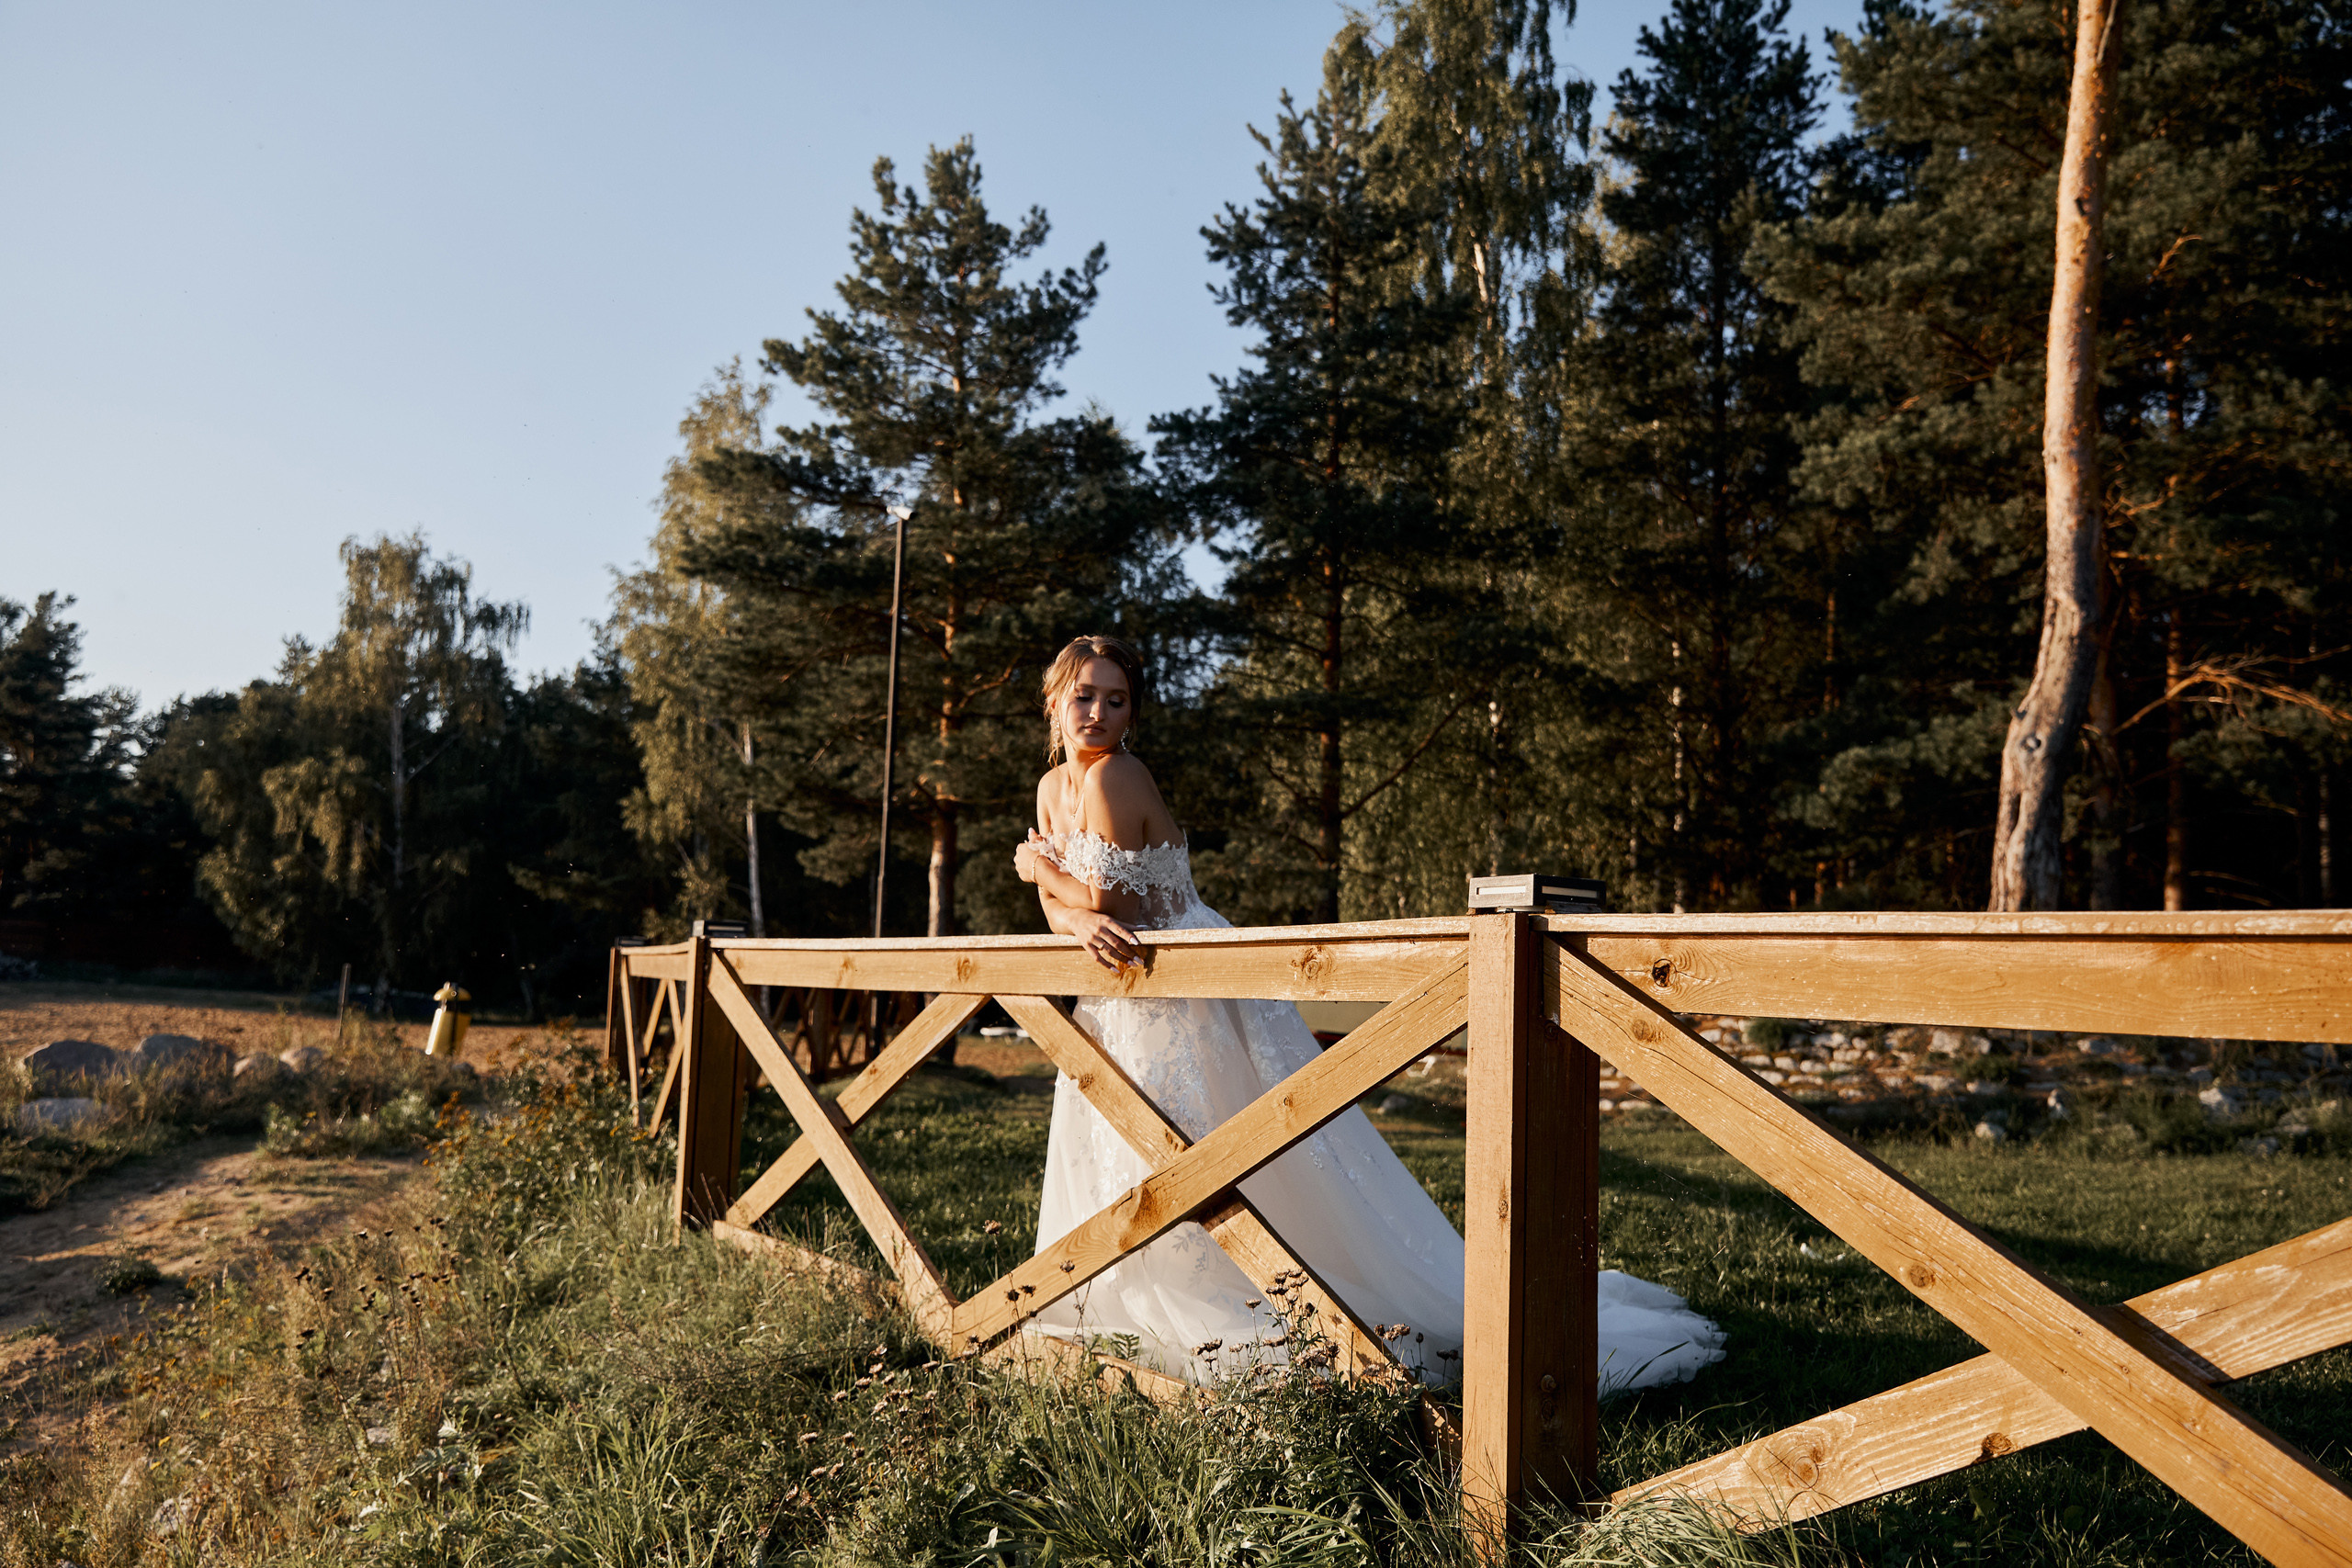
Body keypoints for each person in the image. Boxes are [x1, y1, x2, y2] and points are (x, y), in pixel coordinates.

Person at [1013, 634, 1724, 1389]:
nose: (1099, 713)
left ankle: (1310, 1291)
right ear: (1054, 701)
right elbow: (1071, 915)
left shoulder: (1118, 775)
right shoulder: (1052, 785)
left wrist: (1040, 867)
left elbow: (1102, 900)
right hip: (1119, 989)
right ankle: (1126, 1289)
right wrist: (1061, 902)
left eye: (1116, 698)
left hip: (1188, 982)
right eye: (1084, 696)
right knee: (1130, 1138)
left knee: (1227, 1144)